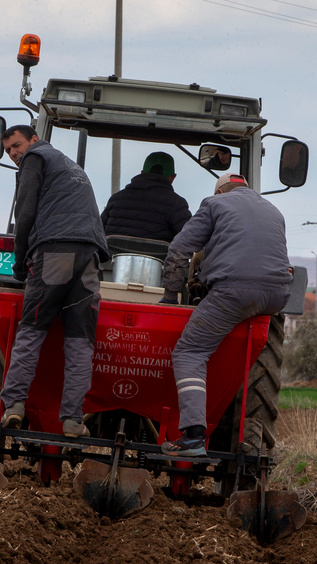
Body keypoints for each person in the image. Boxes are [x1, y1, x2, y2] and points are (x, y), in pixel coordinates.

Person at [158, 172, 292, 457]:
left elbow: (180, 249)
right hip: (276, 296)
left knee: (190, 351)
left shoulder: (214, 204)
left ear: (220, 191)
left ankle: (194, 435)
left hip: (235, 292)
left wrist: (170, 295)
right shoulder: (273, 210)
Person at [0, 124, 110, 438]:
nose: (14, 154)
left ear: (34, 140)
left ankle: (15, 405)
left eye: (16, 145)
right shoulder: (72, 167)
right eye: (8, 150)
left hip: (55, 252)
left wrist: (19, 262)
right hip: (88, 258)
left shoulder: (36, 158)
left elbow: (25, 212)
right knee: (80, 342)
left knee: (31, 331)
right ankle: (74, 421)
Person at [100, 151, 191, 243]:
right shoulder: (177, 204)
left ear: (142, 173)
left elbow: (98, 231)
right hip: (158, 257)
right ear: (172, 178)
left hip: (113, 256)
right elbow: (189, 238)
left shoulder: (115, 199)